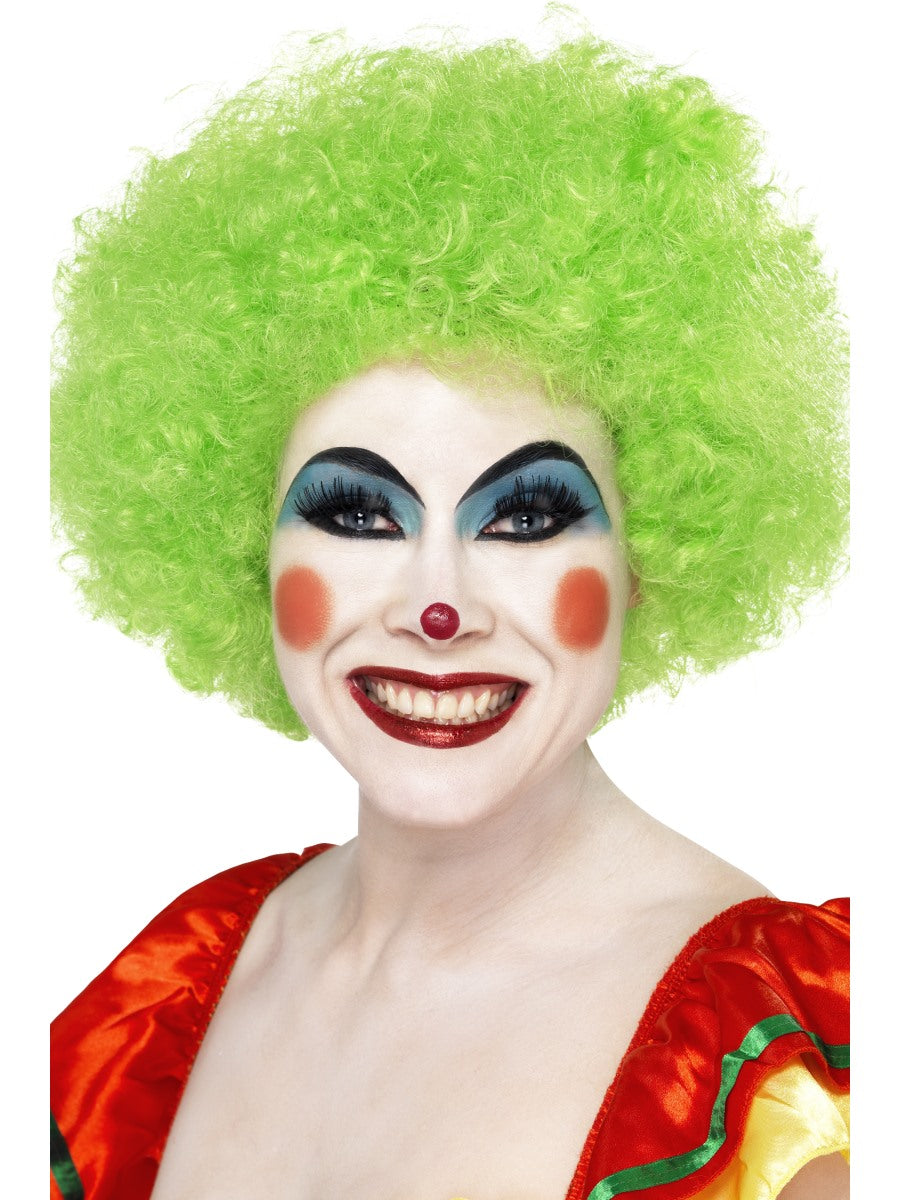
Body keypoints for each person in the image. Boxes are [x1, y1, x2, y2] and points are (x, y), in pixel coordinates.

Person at [49, 22, 849, 1200]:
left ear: (645, 558)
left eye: (524, 516)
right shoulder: (165, 995)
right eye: (357, 513)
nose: (438, 605)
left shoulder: (780, 1054)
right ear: (247, 550)